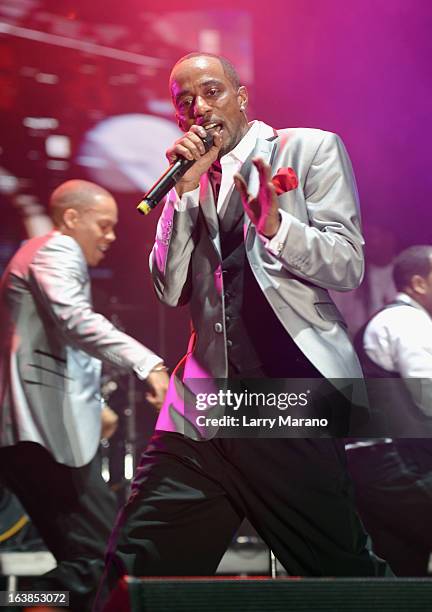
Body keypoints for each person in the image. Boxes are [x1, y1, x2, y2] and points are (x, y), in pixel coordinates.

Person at [96, 52, 387, 607]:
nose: (199, 110)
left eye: (212, 93)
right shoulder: (188, 176)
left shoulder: (307, 148)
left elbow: (347, 265)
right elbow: (169, 288)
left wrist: (275, 224)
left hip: (287, 403)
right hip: (203, 412)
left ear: (241, 95)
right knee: (133, 570)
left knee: (339, 572)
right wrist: (183, 194)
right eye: (185, 103)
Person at [0, 179, 169, 611]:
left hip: (38, 434)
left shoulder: (39, 252)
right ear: (72, 218)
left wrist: (94, 409)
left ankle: (32, 603)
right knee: (99, 558)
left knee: (88, 561)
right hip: (42, 436)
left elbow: (52, 344)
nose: (111, 237)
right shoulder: (58, 249)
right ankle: (25, 604)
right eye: (104, 225)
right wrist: (147, 363)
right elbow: (74, 321)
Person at [347, 244, 432, 575]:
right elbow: (429, 393)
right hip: (397, 463)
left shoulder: (401, 319)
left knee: (401, 574)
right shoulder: (406, 320)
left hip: (376, 469)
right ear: (418, 283)